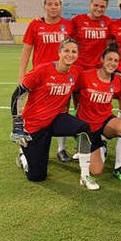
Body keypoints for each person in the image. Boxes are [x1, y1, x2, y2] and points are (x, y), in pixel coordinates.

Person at [10, 38, 99, 189]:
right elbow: (17, 95)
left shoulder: (76, 72)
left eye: (74, 51)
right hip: (35, 124)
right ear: (59, 52)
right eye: (66, 51)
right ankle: (23, 156)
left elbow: (92, 79)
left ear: (77, 55)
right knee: (38, 177)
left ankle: (85, 175)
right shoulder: (41, 70)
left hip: (56, 118)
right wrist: (17, 124)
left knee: (83, 128)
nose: (70, 54)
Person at [18, 0, 74, 163]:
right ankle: (23, 149)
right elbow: (26, 50)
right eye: (50, 4)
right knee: (31, 113)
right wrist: (22, 76)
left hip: (63, 77)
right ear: (44, 6)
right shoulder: (35, 24)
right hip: (40, 79)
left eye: (56, 4)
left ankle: (61, 149)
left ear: (61, 6)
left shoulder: (68, 25)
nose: (53, 7)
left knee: (62, 111)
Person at [74, 43, 121, 182]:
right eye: (109, 59)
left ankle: (119, 167)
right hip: (87, 126)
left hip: (105, 120)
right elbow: (74, 91)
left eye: (116, 61)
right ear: (102, 60)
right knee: (96, 171)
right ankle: (101, 146)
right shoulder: (86, 76)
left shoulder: (117, 80)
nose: (112, 63)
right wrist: (77, 111)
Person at [69, 0, 113, 161]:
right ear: (90, 4)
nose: (99, 9)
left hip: (100, 73)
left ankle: (100, 142)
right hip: (80, 72)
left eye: (102, 6)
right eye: (96, 5)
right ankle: (81, 145)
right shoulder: (77, 20)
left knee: (100, 109)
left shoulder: (108, 23)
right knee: (80, 110)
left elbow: (110, 45)